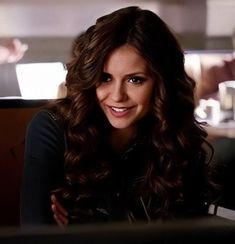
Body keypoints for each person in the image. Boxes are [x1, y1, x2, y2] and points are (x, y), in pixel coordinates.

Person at [20, 6, 216, 227]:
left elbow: (189, 233)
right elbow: (36, 234)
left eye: (135, 80)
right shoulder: (50, 128)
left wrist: (88, 231)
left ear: (161, 83)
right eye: (105, 78)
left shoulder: (176, 133)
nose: (117, 96)